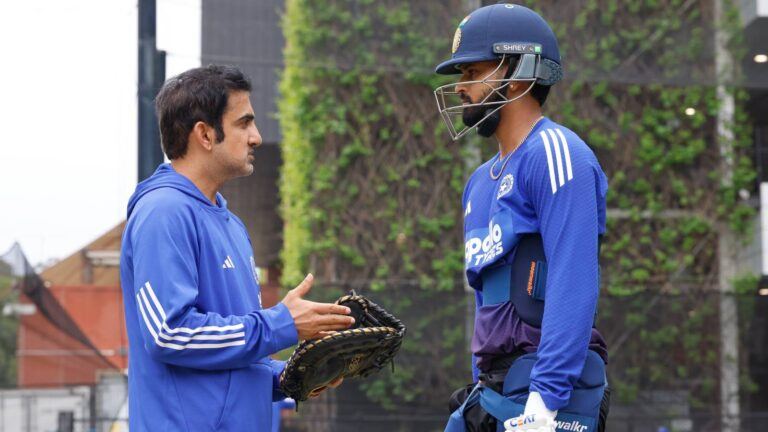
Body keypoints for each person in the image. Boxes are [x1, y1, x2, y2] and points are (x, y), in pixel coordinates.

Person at [119, 65, 354, 431]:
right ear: (205, 134)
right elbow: (171, 334)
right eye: (244, 123)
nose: (257, 137)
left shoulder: (231, 223)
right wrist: (282, 323)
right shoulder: (163, 212)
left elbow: (234, 347)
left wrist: (291, 376)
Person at [433, 4, 610, 432]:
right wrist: (480, 384)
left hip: (547, 393)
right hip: (496, 389)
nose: (460, 87)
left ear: (518, 74)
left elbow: (574, 277)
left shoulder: (556, 153)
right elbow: (487, 300)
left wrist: (545, 401)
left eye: (473, 72)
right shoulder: (478, 183)